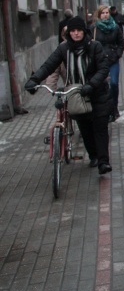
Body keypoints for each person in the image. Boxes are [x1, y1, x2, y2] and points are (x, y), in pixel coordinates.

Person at [25, 17, 113, 174]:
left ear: (84, 31)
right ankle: (93, 155)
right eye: (73, 31)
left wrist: (91, 84)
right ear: (68, 33)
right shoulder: (63, 49)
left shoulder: (95, 46)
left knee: (99, 127)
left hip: (97, 92)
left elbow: (103, 68)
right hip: (76, 94)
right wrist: (34, 80)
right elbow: (49, 65)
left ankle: (103, 162)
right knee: (85, 129)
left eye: (79, 30)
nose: (76, 33)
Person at [89, 5, 124, 122]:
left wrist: (117, 54)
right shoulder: (94, 28)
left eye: (107, 12)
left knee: (114, 84)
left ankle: (114, 108)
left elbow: (121, 43)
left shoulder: (115, 27)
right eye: (103, 13)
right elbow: (89, 44)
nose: (105, 15)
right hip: (99, 62)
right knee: (103, 86)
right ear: (99, 15)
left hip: (113, 60)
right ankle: (105, 110)